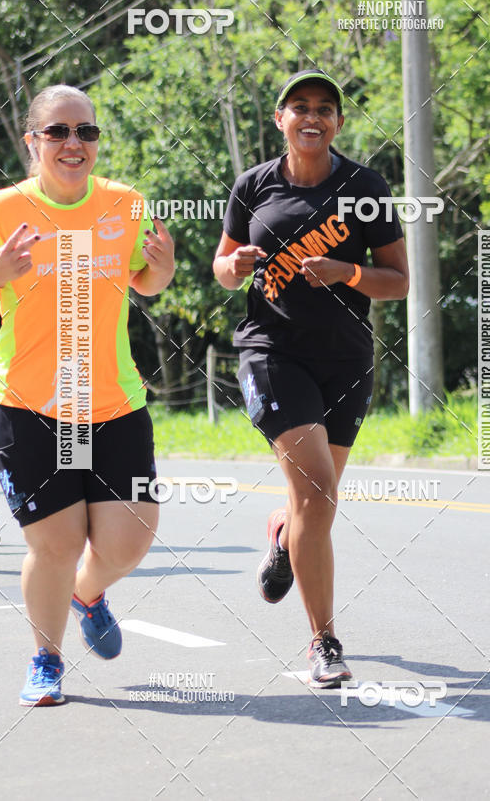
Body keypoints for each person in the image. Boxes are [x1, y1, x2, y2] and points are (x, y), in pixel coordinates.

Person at [213, 69, 409, 687]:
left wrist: (348, 273)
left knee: (311, 508)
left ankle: (281, 531)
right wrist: (233, 264)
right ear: (280, 119)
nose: (312, 116)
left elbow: (398, 282)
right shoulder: (253, 187)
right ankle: (324, 640)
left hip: (346, 360)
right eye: (299, 106)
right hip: (271, 353)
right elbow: (222, 267)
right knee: (319, 493)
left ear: (339, 124)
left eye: (325, 108)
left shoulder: (365, 186)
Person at [0, 84, 174, 705]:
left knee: (131, 540)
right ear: (32, 141)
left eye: (86, 132)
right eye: (59, 132)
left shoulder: (125, 202)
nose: (74, 144)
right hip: (30, 405)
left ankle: (87, 592)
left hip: (114, 403)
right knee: (56, 544)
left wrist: (165, 268)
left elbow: (147, 282)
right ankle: (47, 658)